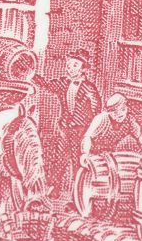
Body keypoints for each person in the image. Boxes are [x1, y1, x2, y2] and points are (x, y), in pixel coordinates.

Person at [35, 50, 101, 196]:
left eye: (75, 65)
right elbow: (46, 85)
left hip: (82, 130)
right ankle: (55, 188)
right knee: (60, 159)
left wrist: (91, 131)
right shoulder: (63, 83)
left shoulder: (89, 88)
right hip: (65, 128)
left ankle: (77, 192)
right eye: (68, 65)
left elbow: (96, 110)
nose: (70, 68)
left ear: (83, 69)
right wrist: (31, 74)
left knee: (78, 161)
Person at [81, 93, 142, 158]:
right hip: (93, 156)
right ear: (109, 112)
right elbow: (87, 137)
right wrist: (85, 154)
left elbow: (140, 139)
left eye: (123, 109)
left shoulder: (129, 120)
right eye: (115, 112)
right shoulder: (101, 118)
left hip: (111, 155)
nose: (121, 113)